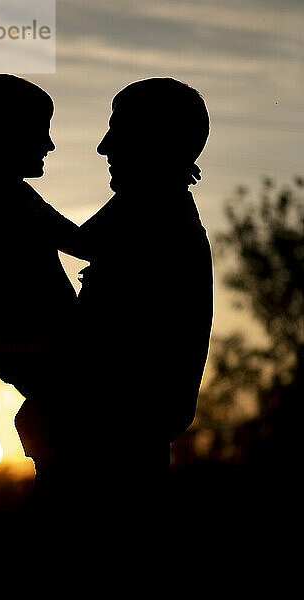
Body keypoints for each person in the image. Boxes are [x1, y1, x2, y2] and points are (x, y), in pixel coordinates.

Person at [76, 78, 214, 521]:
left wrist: (2, 195)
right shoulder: (151, 209)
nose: (103, 148)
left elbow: (74, 242)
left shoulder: (154, 215)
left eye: (117, 131)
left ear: (150, 141)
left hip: (116, 460)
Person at [0, 74, 86, 510]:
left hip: (12, 342)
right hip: (34, 343)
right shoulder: (15, 199)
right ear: (9, 136)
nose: (49, 145)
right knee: (71, 443)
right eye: (41, 133)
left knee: (59, 439)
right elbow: (86, 244)